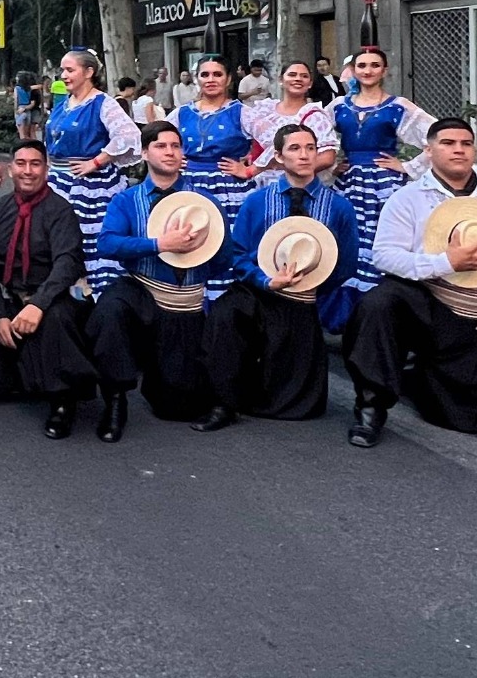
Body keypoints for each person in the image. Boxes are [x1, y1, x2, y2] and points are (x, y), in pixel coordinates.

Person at [343, 120, 477, 448]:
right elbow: (384, 256)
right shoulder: (407, 198)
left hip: (474, 308)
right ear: (429, 150)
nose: (458, 150)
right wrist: (445, 263)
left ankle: (414, 378)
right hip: (422, 300)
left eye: (466, 143)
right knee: (379, 304)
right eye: (448, 143)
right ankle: (370, 406)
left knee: (475, 421)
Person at [203, 126, 359, 424]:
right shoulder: (257, 201)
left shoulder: (339, 207)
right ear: (278, 156)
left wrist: (312, 286)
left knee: (301, 400)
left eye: (310, 148)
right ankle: (223, 404)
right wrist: (265, 281)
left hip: (303, 296)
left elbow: (346, 263)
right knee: (225, 315)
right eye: (295, 148)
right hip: (257, 290)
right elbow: (238, 253)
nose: (304, 155)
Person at [89, 122, 234, 441]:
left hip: (184, 301)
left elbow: (225, 257)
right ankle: (115, 402)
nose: (169, 152)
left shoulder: (205, 202)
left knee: (174, 406)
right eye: (160, 146)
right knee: (110, 309)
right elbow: (107, 243)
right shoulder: (127, 200)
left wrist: (194, 269)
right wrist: (158, 245)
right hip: (141, 291)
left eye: (175, 146)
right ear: (144, 153)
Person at [0, 139, 95, 438]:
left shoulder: (60, 211)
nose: (27, 171)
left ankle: (62, 401)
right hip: (15, 301)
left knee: (56, 323)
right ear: (11, 168)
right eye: (21, 163)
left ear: (46, 169)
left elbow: (67, 264)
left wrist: (38, 305)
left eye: (35, 164)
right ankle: (20, 380)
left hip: (54, 300)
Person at [328, 47, 435, 328]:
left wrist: (408, 166)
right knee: (347, 239)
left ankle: (381, 315)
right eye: (362, 65)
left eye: (375, 65)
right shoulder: (338, 106)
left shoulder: (398, 106)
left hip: (383, 185)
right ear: (353, 70)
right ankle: (345, 316)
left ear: (384, 70)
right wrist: (331, 164)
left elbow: (437, 136)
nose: (368, 70)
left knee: (382, 239)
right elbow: (315, 138)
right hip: (348, 183)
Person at [45, 48, 142, 295]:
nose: (64, 75)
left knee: (87, 238)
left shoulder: (103, 103)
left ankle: (94, 293)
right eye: (63, 70)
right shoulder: (63, 104)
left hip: (89, 186)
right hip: (57, 181)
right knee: (57, 238)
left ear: (89, 72)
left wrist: (96, 162)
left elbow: (129, 135)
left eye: (70, 70)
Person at [172, 54, 255, 297]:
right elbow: (154, 140)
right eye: (205, 74)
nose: (211, 79)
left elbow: (278, 140)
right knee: (190, 241)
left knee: (225, 243)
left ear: (228, 79)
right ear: (197, 79)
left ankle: (226, 303)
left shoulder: (241, 112)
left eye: (217, 74)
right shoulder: (182, 113)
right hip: (188, 187)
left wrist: (250, 169)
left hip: (228, 188)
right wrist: (175, 158)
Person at [243, 60, 339, 179]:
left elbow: (327, 158)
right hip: (259, 183)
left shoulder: (315, 116)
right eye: (292, 75)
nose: (298, 79)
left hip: (297, 184)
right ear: (281, 80)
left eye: (304, 76)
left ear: (310, 83)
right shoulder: (264, 111)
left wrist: (292, 171)